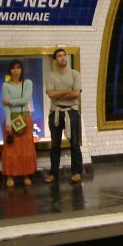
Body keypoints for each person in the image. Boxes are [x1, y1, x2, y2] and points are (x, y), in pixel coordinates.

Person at [46, 48, 83, 183]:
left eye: (64, 55)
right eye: (59, 56)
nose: (63, 58)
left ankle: (77, 172)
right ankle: (53, 173)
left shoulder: (75, 74)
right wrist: (68, 91)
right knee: (55, 145)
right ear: (55, 60)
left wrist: (59, 93)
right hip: (55, 112)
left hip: (71, 111)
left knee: (74, 143)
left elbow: (76, 94)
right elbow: (51, 94)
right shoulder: (51, 76)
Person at [1, 59, 37, 188]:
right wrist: (8, 124)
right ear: (10, 71)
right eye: (13, 68)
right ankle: (10, 176)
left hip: (25, 118)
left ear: (22, 70)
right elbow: (6, 108)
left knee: (25, 148)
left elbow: (25, 100)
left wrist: (10, 101)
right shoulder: (6, 85)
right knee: (11, 148)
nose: (16, 70)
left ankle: (26, 175)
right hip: (12, 119)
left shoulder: (27, 83)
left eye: (18, 68)